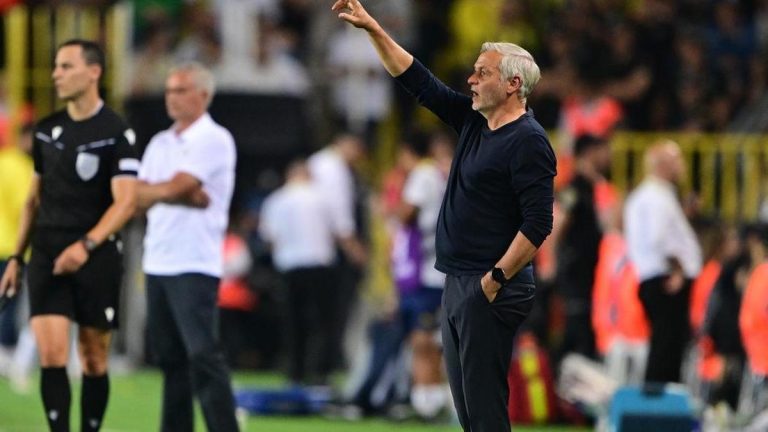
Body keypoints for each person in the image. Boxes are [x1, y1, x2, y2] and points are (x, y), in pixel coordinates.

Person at [331, 2, 557, 430]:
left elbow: (538, 223)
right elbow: (418, 80)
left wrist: (494, 280)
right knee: (469, 413)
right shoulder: (475, 123)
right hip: (458, 280)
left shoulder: (529, 141)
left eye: (482, 73)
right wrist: (374, 30)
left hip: (490, 283)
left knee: (485, 411)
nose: (471, 79)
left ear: (513, 84)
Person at [0, 39, 139, 431]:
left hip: (96, 254)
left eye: (66, 66)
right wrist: (17, 257)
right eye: (55, 66)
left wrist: (86, 245)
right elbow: (33, 200)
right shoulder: (47, 130)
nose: (55, 74)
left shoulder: (117, 132)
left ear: (93, 72)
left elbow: (126, 202)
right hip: (47, 253)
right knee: (51, 353)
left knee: (93, 356)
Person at [136, 62, 239, 432]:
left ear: (204, 95)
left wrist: (167, 189)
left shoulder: (214, 138)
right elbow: (138, 195)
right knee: (171, 360)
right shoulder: (160, 142)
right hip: (157, 260)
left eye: (180, 90)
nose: (172, 98)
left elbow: (174, 187)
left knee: (202, 355)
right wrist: (173, 190)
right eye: (169, 91)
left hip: (194, 261)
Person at [624, 140, 702, 384]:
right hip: (666, 278)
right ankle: (660, 397)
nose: (682, 166)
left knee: (666, 344)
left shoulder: (651, 195)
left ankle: (660, 395)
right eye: (676, 160)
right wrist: (677, 269)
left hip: (659, 276)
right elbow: (659, 238)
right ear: (662, 165)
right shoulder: (655, 197)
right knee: (666, 347)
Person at [259, 160, 341, 385]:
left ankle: (295, 371)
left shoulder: (276, 200)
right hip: (319, 265)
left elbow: (269, 238)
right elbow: (336, 232)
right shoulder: (323, 198)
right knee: (321, 322)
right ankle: (320, 371)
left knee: (293, 321)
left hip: (289, 266)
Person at [552, 134, 611, 362]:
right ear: (590, 152)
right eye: (604, 149)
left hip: (592, 274)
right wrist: (553, 265)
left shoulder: (595, 187)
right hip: (577, 274)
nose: (609, 155)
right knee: (577, 334)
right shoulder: (574, 188)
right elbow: (556, 227)